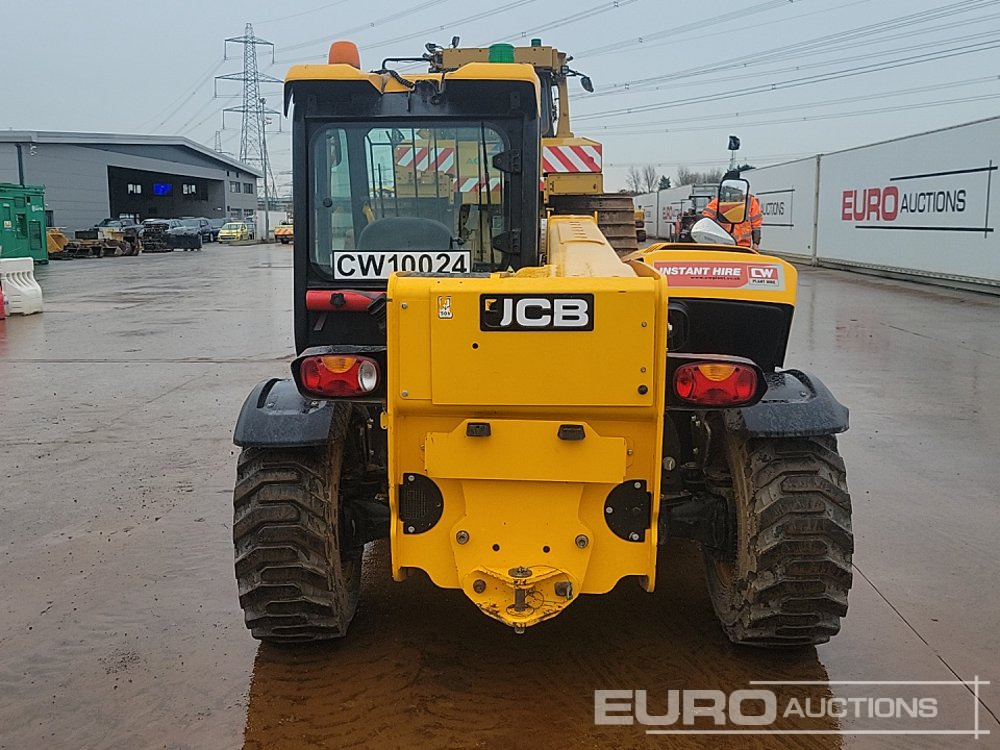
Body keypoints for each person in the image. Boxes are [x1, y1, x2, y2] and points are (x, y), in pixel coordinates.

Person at [702, 174, 763, 249]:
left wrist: (756, 243)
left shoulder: (750, 201)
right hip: (723, 244)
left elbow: (756, 225)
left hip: (741, 246)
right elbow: (706, 218)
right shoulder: (718, 201)